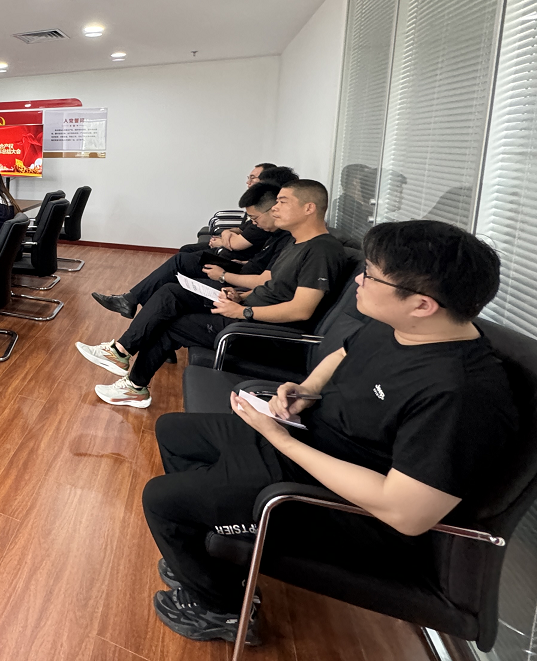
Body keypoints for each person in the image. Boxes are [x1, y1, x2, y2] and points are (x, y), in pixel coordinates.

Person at [141, 220, 516, 645]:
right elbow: (343, 352)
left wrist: (281, 440)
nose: (357, 280)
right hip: (311, 442)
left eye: (370, 275)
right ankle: (208, 552)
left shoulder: (460, 394)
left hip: (341, 506)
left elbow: (405, 513)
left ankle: (220, 608)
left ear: (422, 304)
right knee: (174, 431)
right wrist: (307, 389)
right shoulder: (401, 325)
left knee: (162, 501)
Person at [78, 180, 349, 408]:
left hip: (263, 332)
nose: (275, 208)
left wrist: (244, 311)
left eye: (283, 202)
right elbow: (275, 288)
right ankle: (123, 359)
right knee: (171, 292)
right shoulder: (296, 243)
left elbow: (302, 309)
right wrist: (241, 296)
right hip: (249, 312)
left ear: (309, 208)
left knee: (173, 321)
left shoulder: (322, 251)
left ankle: (131, 379)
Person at [92, 182, 292, 318]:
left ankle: (131, 301)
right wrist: (228, 235)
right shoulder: (265, 223)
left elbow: (237, 245)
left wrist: (224, 272)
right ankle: (134, 305)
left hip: (234, 271)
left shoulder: (276, 230)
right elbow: (238, 235)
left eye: (254, 179)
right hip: (237, 264)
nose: (250, 182)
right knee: (180, 261)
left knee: (178, 266)